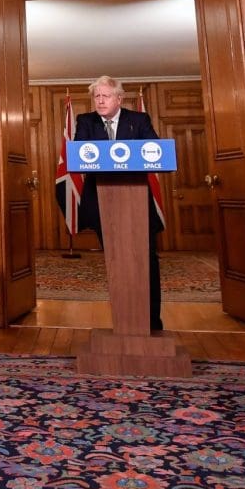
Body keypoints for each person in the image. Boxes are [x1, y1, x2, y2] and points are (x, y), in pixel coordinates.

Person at [74, 75, 164, 332]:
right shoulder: (86, 121)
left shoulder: (139, 121)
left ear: (119, 99)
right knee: (116, 260)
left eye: (105, 96)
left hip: (136, 203)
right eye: (97, 96)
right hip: (102, 202)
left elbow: (155, 150)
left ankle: (151, 323)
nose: (100, 101)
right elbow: (81, 154)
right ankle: (124, 323)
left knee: (146, 260)